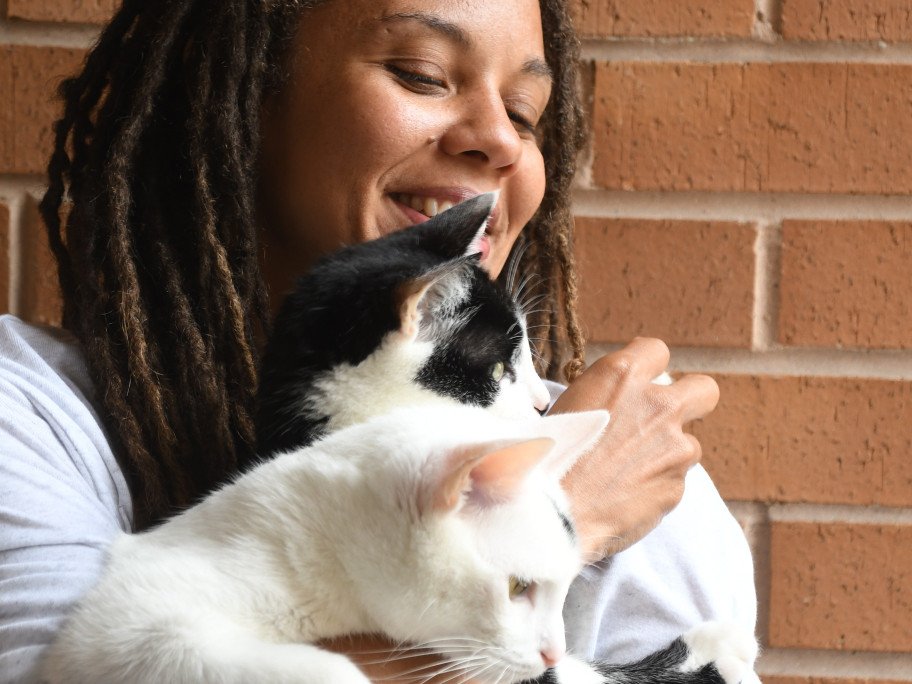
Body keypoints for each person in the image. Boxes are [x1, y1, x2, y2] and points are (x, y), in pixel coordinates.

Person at [0, 0, 756, 681]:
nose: (499, 141)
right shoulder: (30, 416)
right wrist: (564, 514)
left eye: (526, 114)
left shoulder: (638, 474)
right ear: (244, 100)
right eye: (423, 75)